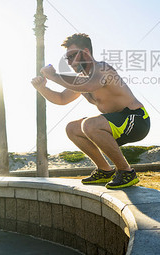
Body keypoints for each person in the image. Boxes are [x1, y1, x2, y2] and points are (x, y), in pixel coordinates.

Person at [31, 33, 150, 189]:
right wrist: (41, 88)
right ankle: (105, 170)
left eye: (72, 56)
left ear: (86, 52)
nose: (70, 62)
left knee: (89, 124)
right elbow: (61, 99)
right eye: (67, 59)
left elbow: (89, 86)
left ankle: (126, 172)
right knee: (72, 128)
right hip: (115, 125)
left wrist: (54, 76)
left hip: (136, 120)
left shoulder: (102, 68)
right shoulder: (81, 78)